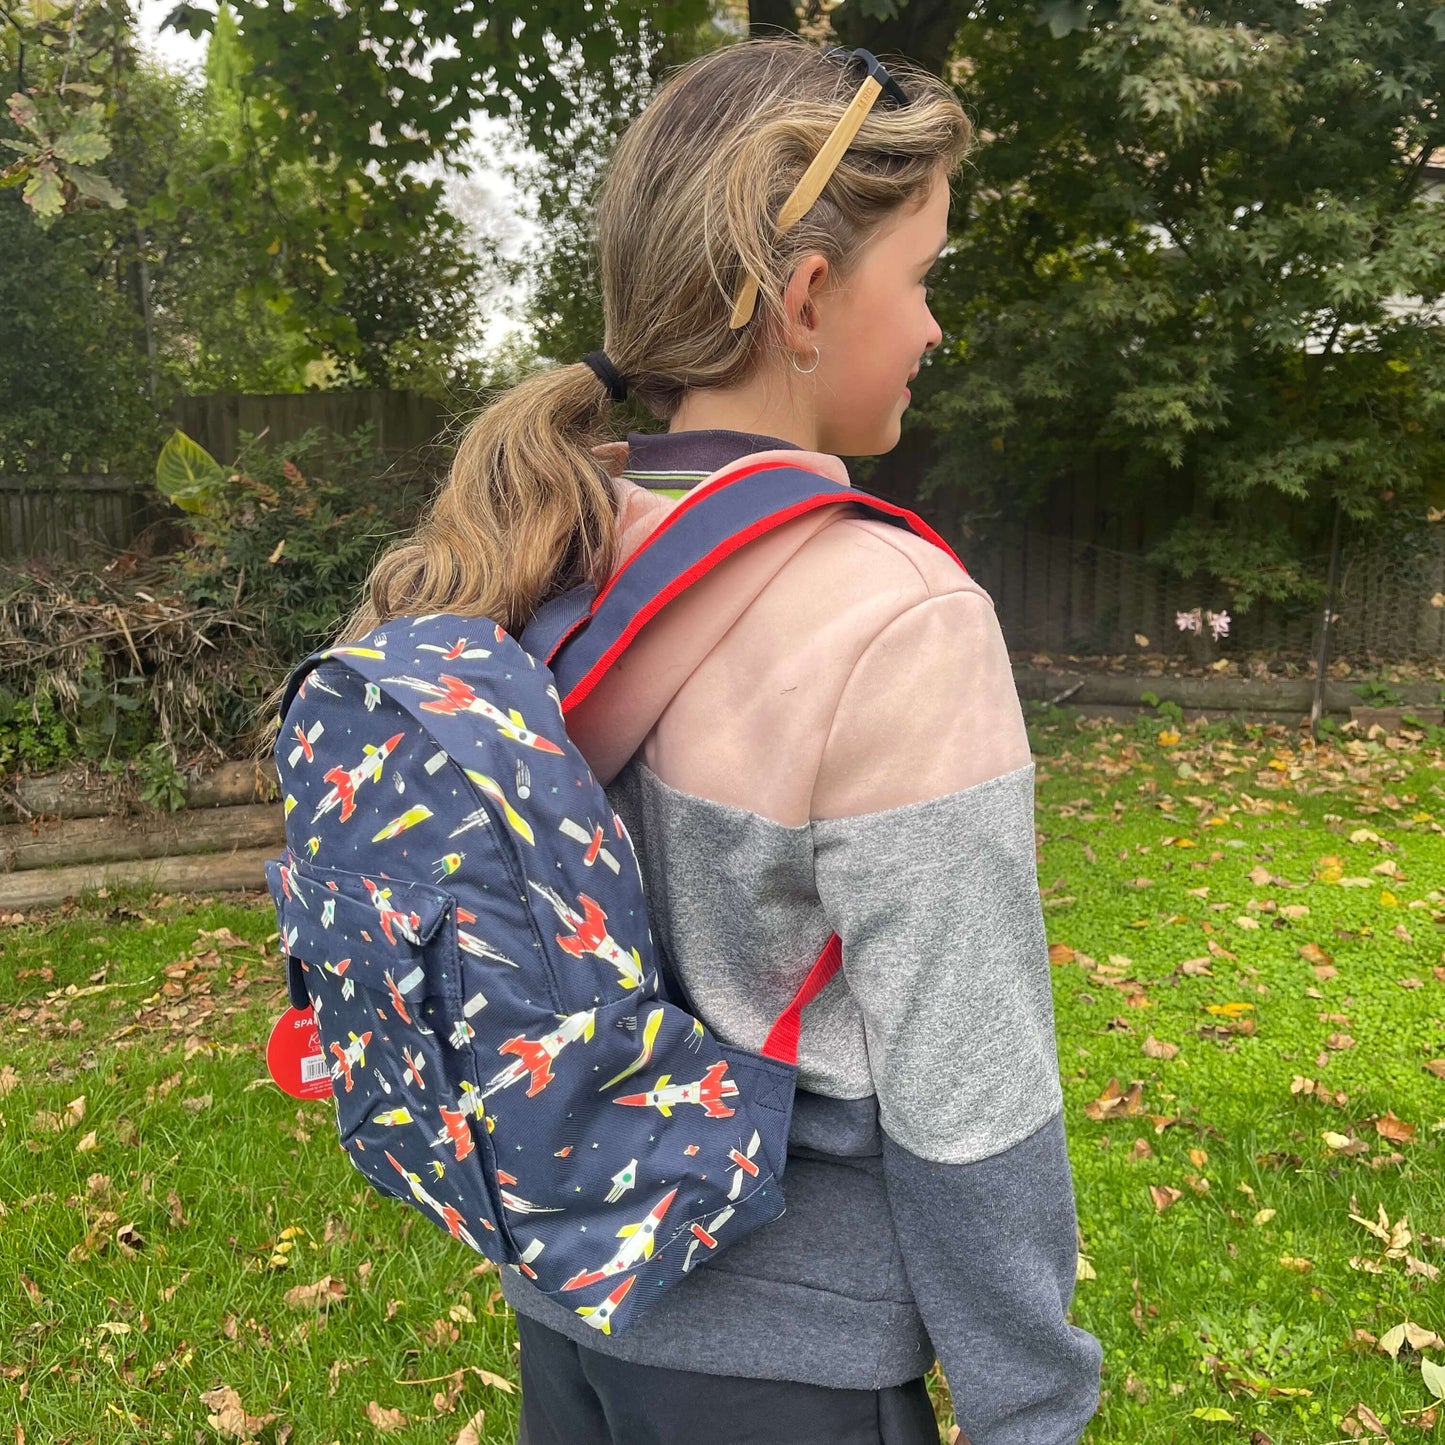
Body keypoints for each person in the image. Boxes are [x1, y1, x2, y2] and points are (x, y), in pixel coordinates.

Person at [340, 35, 1102, 1445]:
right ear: (807, 298)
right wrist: (1032, 1404)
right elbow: (968, 1093)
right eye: (922, 277)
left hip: (574, 1304)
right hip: (787, 1377)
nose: (934, 328)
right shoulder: (897, 618)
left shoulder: (549, 542)